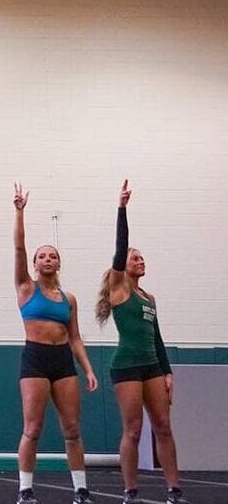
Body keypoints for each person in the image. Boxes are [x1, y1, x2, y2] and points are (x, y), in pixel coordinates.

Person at [96, 181, 188, 504]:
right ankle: (130, 491)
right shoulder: (120, 290)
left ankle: (174, 490)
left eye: (142, 258)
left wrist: (167, 372)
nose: (140, 260)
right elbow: (120, 248)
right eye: (136, 258)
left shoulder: (149, 297)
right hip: (126, 366)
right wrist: (122, 208)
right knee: (133, 431)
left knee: (163, 426)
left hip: (151, 366)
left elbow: (157, 337)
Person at [13, 182, 97, 504]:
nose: (47, 259)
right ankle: (25, 490)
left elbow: (75, 337)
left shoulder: (68, 298)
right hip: (35, 359)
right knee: (32, 429)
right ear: (35, 264)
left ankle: (81, 490)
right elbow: (19, 248)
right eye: (42, 256)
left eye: (52, 256)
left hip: (63, 361)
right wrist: (20, 213)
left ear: (58, 263)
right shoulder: (25, 287)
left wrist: (87, 369)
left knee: (72, 429)